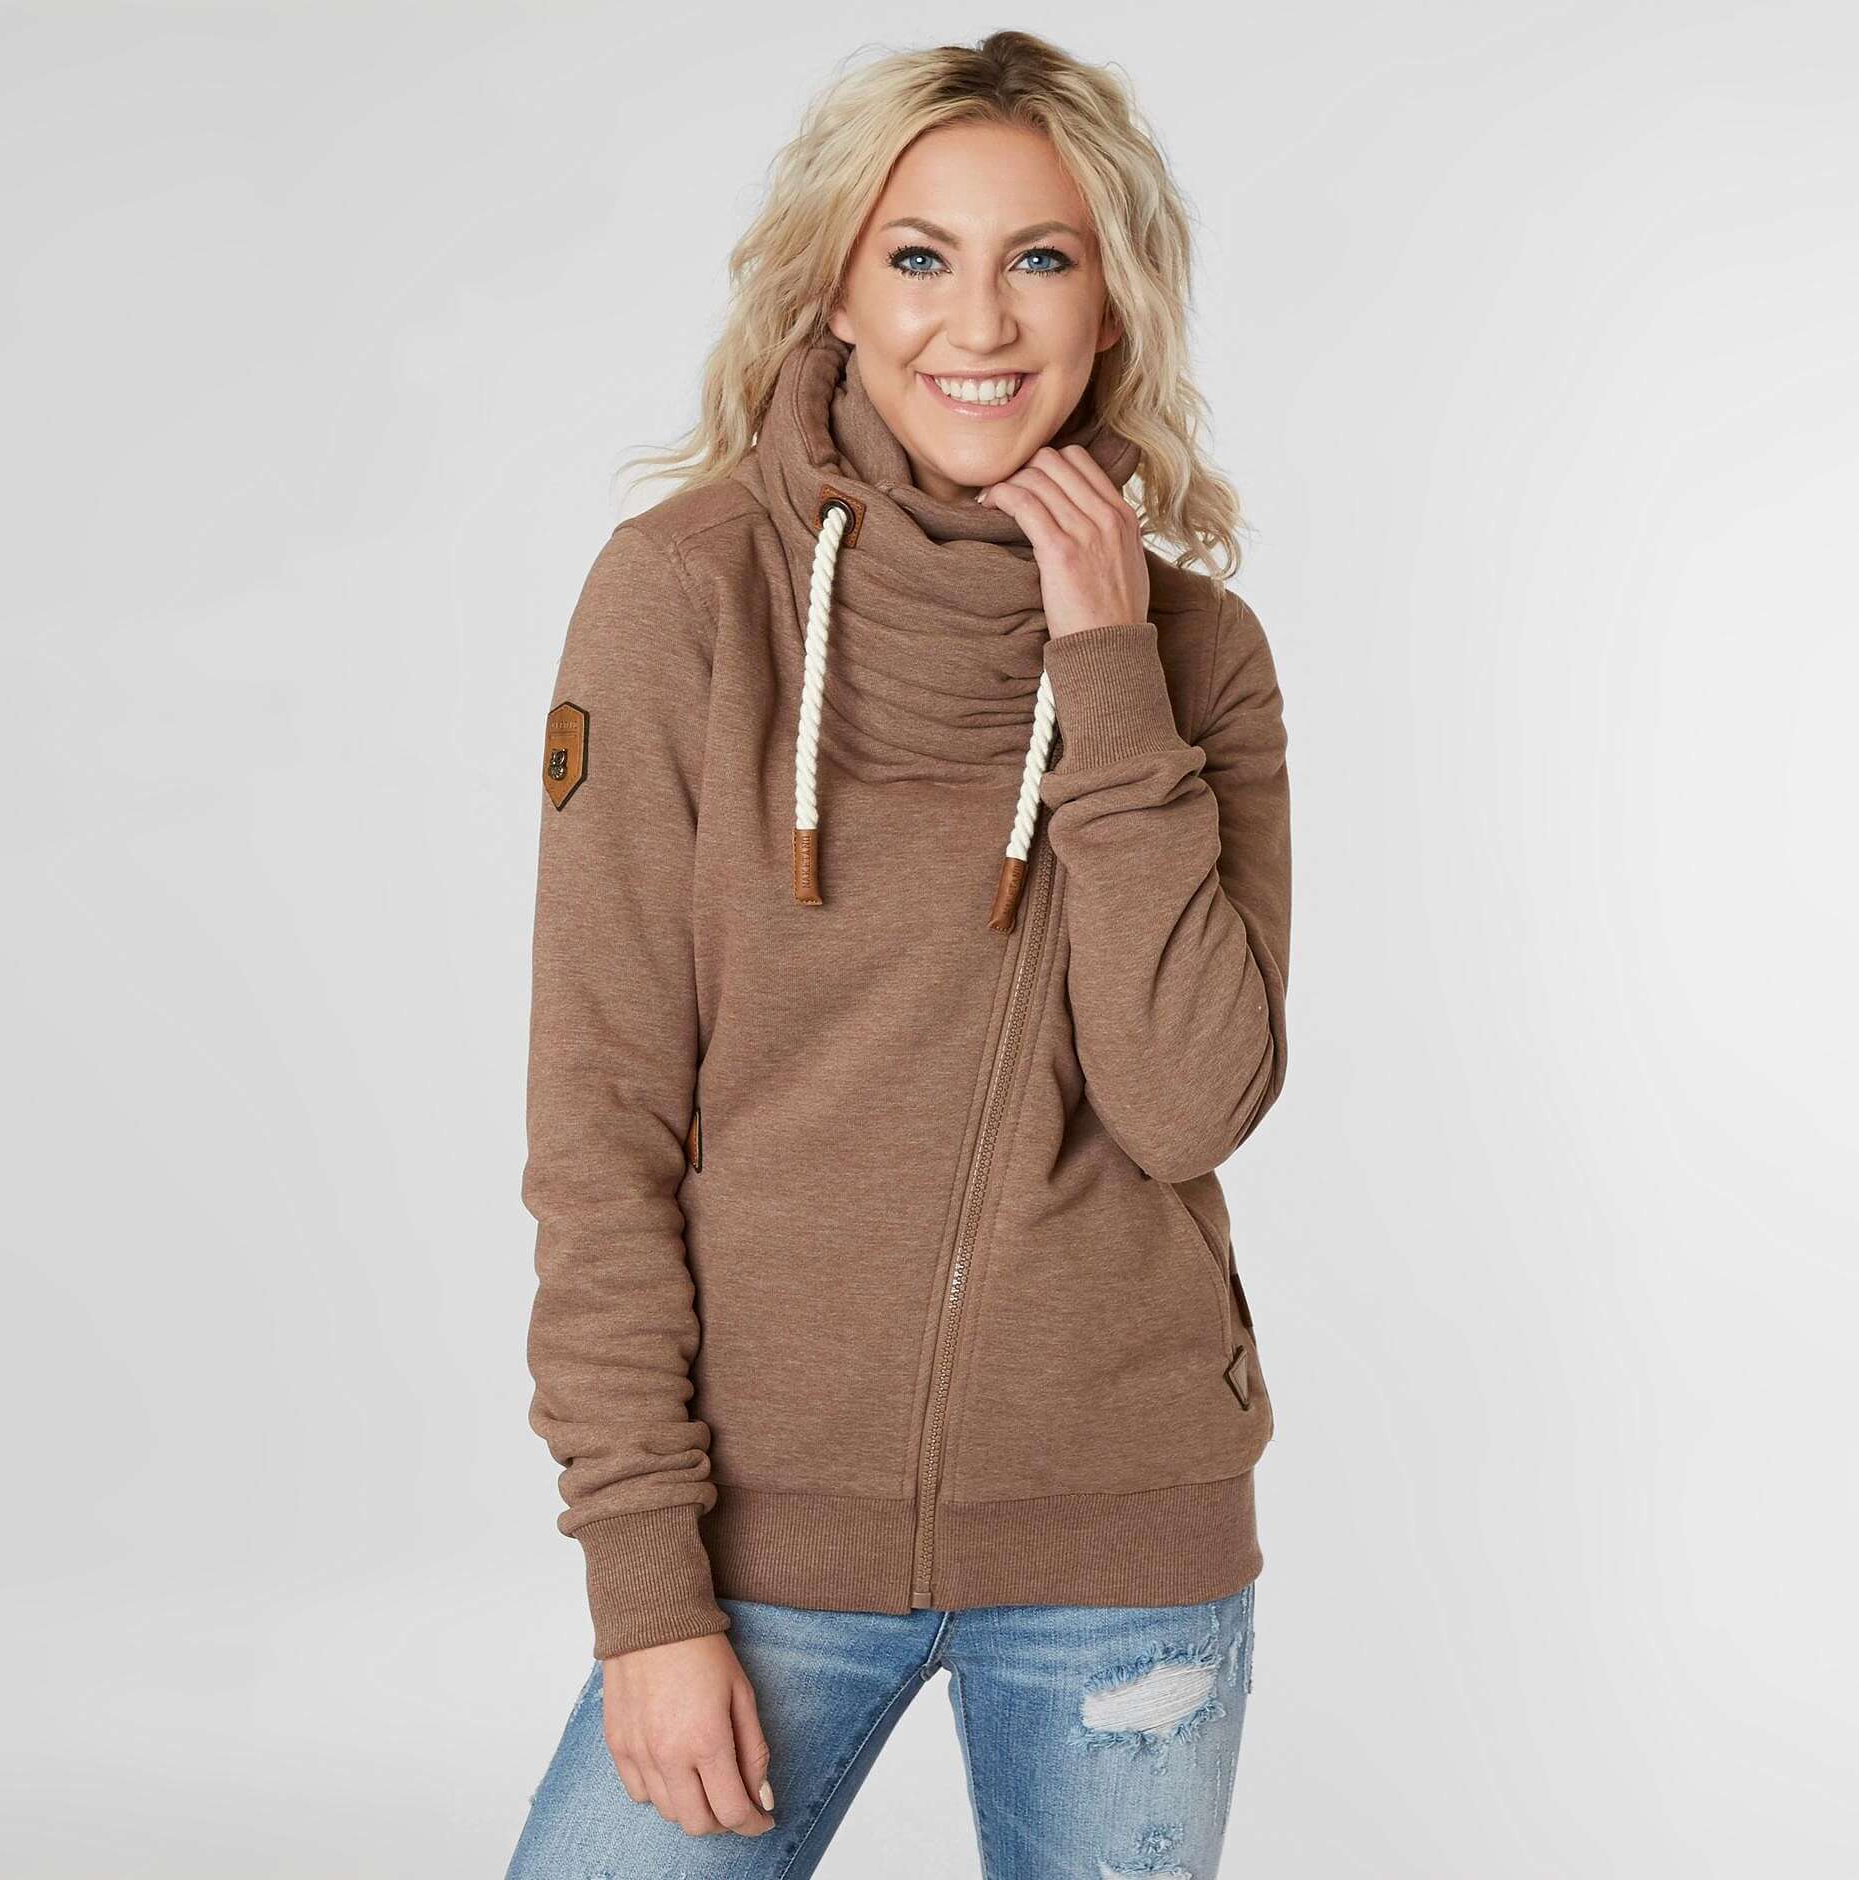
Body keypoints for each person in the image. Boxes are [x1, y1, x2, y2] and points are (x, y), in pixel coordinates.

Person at [507, 30, 1292, 1878]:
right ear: (836, 291)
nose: (981, 322)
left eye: (1043, 257)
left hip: (1123, 1553)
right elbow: (600, 1124)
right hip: (750, 1553)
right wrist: (647, 1591)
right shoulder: (684, 599)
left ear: (1112, 301)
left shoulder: (1200, 657)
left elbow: (1188, 1104)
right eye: (920, 256)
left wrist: (1108, 672)